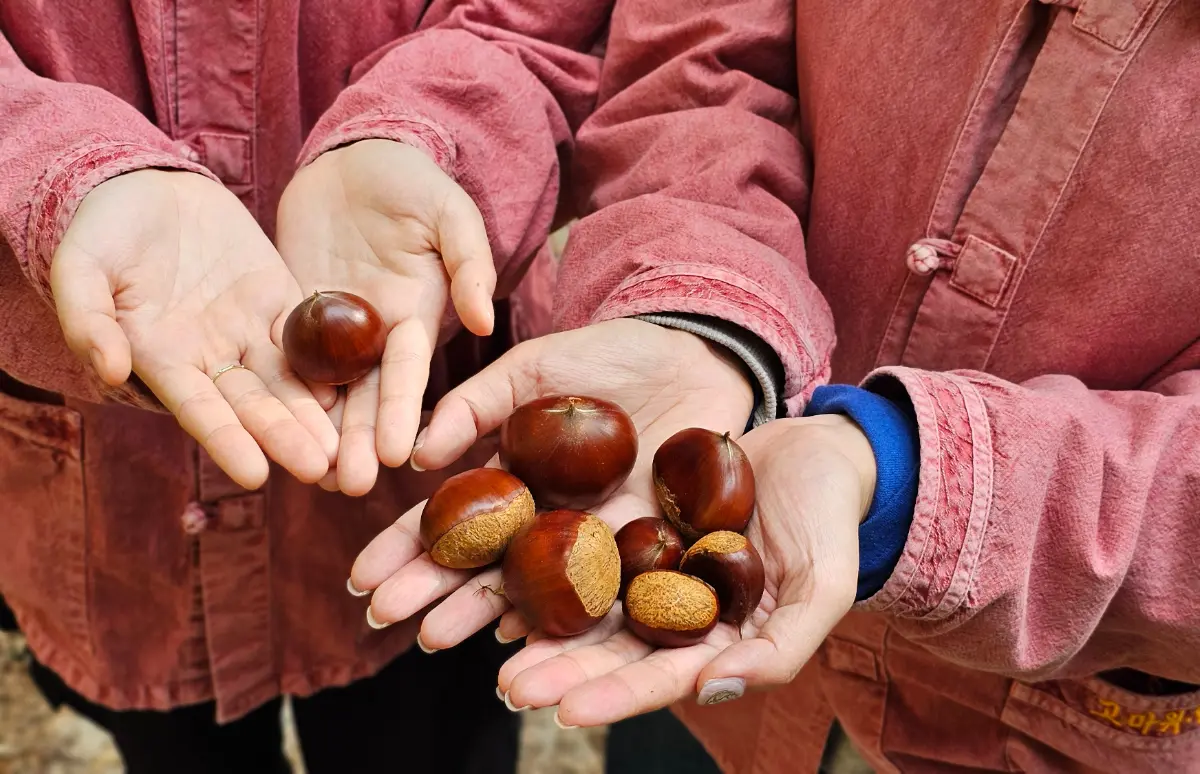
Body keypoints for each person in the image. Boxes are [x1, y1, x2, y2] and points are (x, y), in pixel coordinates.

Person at [350, 0, 1200, 772]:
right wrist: (706, 310)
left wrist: (909, 475)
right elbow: (703, 56)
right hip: (727, 688)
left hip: (1054, 720)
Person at [0, 2, 615, 772]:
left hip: (406, 482)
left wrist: (420, 130)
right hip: (121, 522)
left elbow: (543, 22)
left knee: (423, 737)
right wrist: (55, 172)